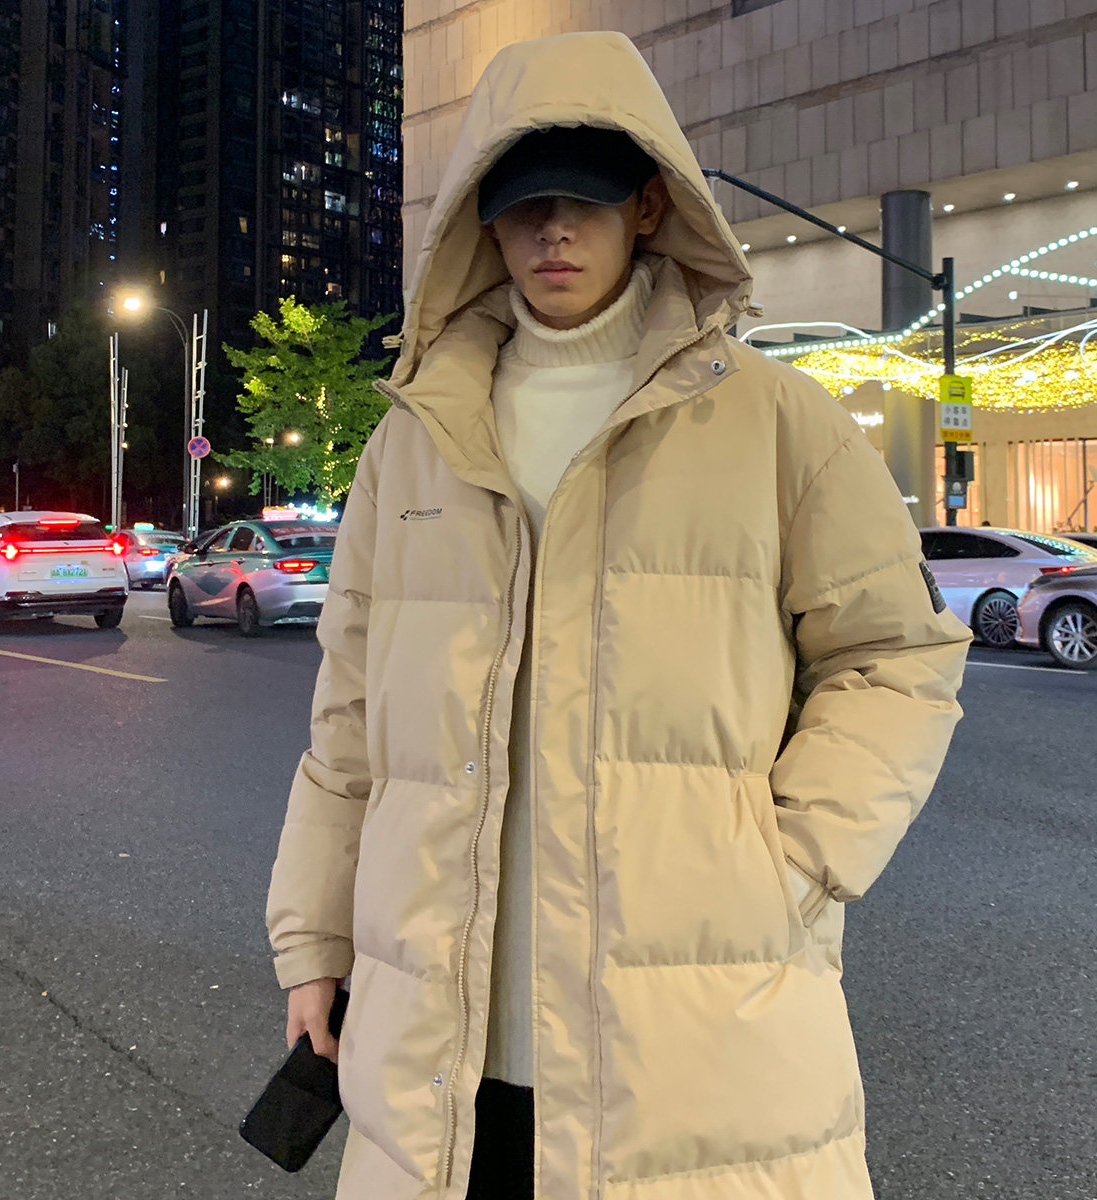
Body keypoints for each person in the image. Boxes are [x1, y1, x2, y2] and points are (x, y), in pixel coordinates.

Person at [266, 31, 972, 1200]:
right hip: (441, 1047)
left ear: (649, 205)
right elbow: (350, 716)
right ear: (481, 220)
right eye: (525, 202)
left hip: (693, 1035)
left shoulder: (776, 421)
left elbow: (896, 655)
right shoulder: (413, 442)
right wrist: (316, 938)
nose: (554, 230)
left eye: (584, 200)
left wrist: (790, 862)